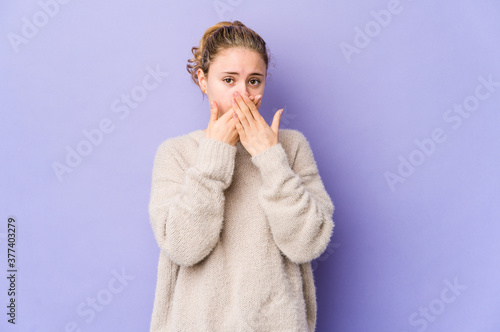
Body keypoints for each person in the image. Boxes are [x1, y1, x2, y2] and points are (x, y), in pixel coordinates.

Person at [148, 20, 335, 332]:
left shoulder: (290, 147)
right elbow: (183, 247)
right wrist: (213, 158)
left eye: (254, 81)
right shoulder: (176, 153)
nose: (242, 95)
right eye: (228, 80)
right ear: (203, 80)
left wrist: (270, 158)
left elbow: (308, 243)